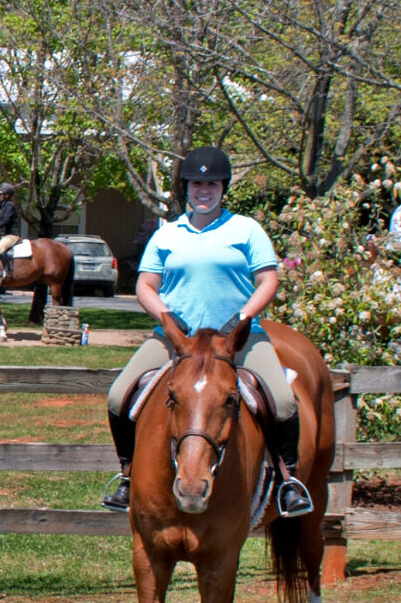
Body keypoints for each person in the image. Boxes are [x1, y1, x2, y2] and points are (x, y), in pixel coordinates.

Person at [101, 147, 312, 516]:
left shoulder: (246, 229)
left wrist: (242, 318)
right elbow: (145, 285)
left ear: (223, 188)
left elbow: (268, 280)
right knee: (119, 396)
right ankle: (128, 476)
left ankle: (287, 482)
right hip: (177, 341)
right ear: (186, 187)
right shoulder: (167, 234)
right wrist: (167, 316)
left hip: (238, 340)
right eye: (197, 183)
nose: (204, 190)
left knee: (282, 402)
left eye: (212, 184)